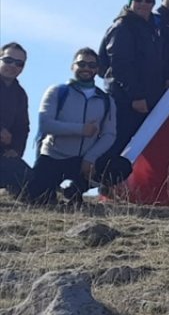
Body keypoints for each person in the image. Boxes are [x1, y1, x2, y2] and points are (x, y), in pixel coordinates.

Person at [26, 48, 118, 203]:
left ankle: (76, 191)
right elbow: (45, 124)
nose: (86, 68)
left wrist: (90, 158)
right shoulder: (57, 91)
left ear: (97, 69)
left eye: (91, 65)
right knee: (39, 199)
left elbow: (110, 134)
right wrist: (82, 129)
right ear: (72, 66)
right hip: (53, 157)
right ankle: (53, 191)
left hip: (84, 160)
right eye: (81, 64)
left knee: (120, 166)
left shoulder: (107, 100)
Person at [97, 0, 166, 180]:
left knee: (134, 144)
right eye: (139, 0)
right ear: (130, 2)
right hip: (125, 99)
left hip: (147, 97)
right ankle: (86, 183)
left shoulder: (152, 28)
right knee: (116, 143)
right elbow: (120, 65)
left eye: (148, 0)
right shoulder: (123, 26)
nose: (143, 4)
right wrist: (135, 96)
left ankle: (113, 185)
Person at [0, 42, 29, 161]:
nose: (13, 66)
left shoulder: (20, 94)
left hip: (3, 153)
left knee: (25, 177)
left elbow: (22, 127)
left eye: (19, 63)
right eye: (8, 60)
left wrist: (15, 150)